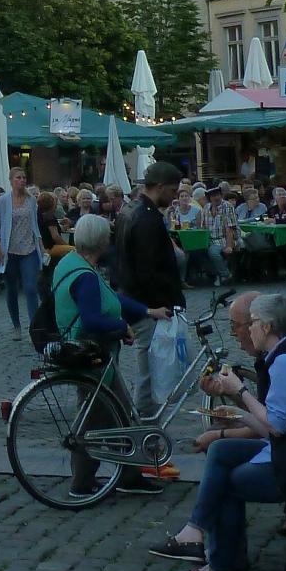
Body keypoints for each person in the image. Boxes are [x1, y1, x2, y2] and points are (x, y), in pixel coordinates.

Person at [175, 294, 286, 571]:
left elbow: (276, 426)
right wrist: (235, 407)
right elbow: (269, 424)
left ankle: (221, 569)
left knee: (228, 481)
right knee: (222, 451)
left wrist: (242, 391)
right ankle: (195, 532)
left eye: (250, 323)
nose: (247, 329)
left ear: (265, 326)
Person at [53, 215, 172, 497]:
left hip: (82, 352)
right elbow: (93, 318)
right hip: (92, 354)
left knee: (106, 414)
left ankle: (122, 474)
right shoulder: (86, 277)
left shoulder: (71, 264)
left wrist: (147, 311)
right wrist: (122, 327)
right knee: (106, 415)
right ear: (101, 242)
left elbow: (110, 298)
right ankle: (94, 481)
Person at [115, 162, 185, 416]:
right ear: (159, 187)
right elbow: (148, 270)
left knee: (149, 369)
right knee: (149, 373)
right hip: (148, 305)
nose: (175, 195)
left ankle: (146, 425)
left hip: (136, 300)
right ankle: (144, 427)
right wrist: (157, 307)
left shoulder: (130, 210)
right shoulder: (147, 218)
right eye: (173, 190)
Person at [0, 169, 42, 335]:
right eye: (18, 178)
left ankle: (35, 326)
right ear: (11, 180)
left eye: (24, 177)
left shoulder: (31, 200)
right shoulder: (2, 201)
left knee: (30, 288)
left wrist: (41, 247)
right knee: (12, 288)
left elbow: (36, 225)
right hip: (10, 250)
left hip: (29, 249)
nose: (22, 180)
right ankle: (16, 325)